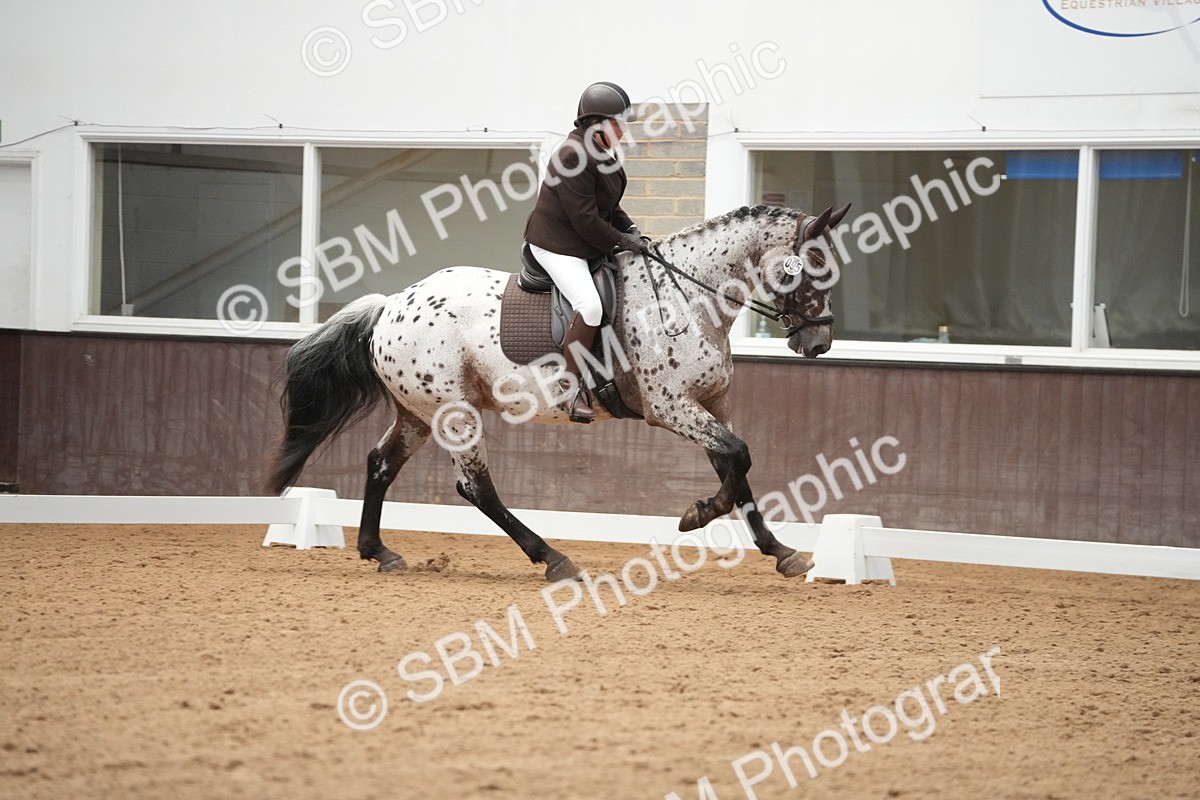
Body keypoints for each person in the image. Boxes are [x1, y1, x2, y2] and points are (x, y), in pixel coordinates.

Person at [523, 81, 647, 423]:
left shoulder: (601, 152)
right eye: (618, 123)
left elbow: (609, 207)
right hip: (557, 245)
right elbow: (586, 220)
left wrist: (632, 231)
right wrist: (623, 242)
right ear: (596, 123)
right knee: (590, 306)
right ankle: (569, 388)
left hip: (582, 240)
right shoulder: (572, 155)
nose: (624, 130)